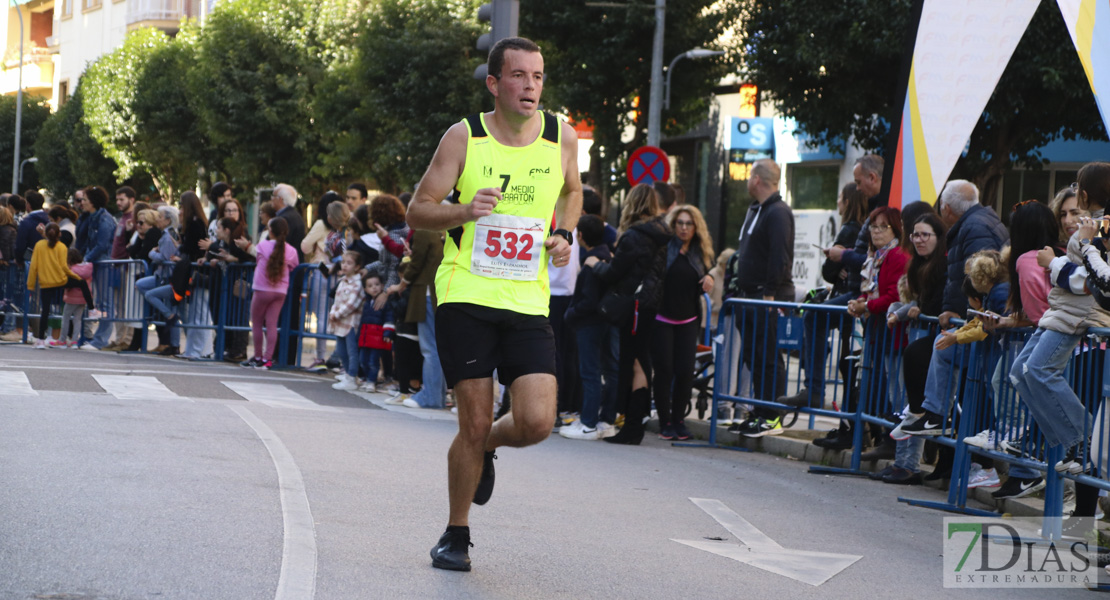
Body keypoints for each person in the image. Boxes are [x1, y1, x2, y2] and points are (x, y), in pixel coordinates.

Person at [405, 36, 581, 572]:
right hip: (467, 294)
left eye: (538, 76)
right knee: (473, 423)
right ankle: (456, 533)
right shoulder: (465, 137)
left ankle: (487, 451)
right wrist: (462, 211)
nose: (530, 86)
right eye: (519, 76)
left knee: (535, 422)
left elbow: (572, 191)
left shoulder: (561, 136)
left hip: (527, 298)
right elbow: (417, 210)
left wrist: (565, 233)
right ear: (494, 83)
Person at [1015, 163, 1110, 535]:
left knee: (1037, 371)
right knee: (1021, 372)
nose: (1071, 216)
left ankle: (1080, 444)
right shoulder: (1097, 225)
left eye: (1076, 200)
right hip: (1062, 314)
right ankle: (1072, 446)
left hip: (1074, 318)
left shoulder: (1100, 227)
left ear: (1086, 195)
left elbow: (1090, 280)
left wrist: (1051, 262)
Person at [588, 184, 671, 444]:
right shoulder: (661, 233)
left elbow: (615, 272)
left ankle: (633, 426)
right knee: (641, 362)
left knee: (634, 363)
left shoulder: (635, 235)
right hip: (649, 304)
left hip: (634, 305)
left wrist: (596, 265)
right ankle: (635, 422)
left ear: (631, 204)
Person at [779, 182, 868, 408]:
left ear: (847, 201)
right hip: (855, 296)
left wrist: (838, 261)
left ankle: (814, 388)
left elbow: (828, 271)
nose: (837, 202)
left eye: (840, 197)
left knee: (813, 317)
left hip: (854, 296)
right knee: (849, 359)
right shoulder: (861, 227)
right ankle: (849, 415)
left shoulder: (849, 229)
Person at [726, 158, 794, 438]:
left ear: (756, 179)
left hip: (766, 298)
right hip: (749, 297)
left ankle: (773, 414)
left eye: (749, 177)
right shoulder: (757, 210)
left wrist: (768, 294)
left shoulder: (777, 212)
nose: (746, 182)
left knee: (768, 358)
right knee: (754, 357)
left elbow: (780, 257)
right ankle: (759, 410)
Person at [652, 205, 715, 441]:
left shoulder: (700, 252)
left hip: (688, 319)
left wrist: (708, 277)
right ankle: (665, 421)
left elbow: (707, 275)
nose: (684, 228)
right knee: (664, 370)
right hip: (662, 319)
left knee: (685, 372)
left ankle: (679, 420)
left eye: (689, 223)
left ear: (696, 227)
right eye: (680, 223)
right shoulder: (665, 248)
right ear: (673, 225)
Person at [560, 215, 619, 440]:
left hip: (589, 324)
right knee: (609, 370)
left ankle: (588, 423)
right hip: (606, 322)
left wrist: (570, 314)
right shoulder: (608, 257)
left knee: (590, 372)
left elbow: (588, 300)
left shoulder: (592, 262)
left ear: (581, 236)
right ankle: (605, 419)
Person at [389, 227, 446, 409]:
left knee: (430, 349)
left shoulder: (424, 230)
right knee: (438, 348)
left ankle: (430, 396)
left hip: (427, 293)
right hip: (442, 293)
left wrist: (400, 285)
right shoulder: (442, 230)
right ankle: (437, 395)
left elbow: (416, 264)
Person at [26, 223, 99, 349]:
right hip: (60, 280)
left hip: (46, 282)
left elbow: (34, 266)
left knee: (45, 311)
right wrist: (76, 277)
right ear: (59, 234)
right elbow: (64, 267)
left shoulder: (39, 245)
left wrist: (31, 283)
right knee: (82, 284)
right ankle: (92, 309)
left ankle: (41, 340)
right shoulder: (62, 247)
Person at [243, 217, 298, 370]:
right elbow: (294, 266)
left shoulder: (262, 246)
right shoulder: (291, 251)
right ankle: (268, 359)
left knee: (257, 323)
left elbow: (257, 257)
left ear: (271, 231)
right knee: (272, 324)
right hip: (280, 290)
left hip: (261, 288)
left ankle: (258, 356)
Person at [79, 186, 119, 351]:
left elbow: (102, 245)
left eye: (85, 200)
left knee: (105, 303)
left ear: (93, 202)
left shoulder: (104, 219)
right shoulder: (94, 217)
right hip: (98, 263)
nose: (82, 203)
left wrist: (86, 259)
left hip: (104, 264)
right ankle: (98, 339)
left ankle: (100, 340)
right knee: (101, 303)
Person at [139, 206, 183, 355]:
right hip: (161, 276)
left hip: (168, 277)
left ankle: (174, 343)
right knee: (141, 285)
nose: (157, 219)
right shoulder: (167, 235)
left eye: (160, 217)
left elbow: (165, 258)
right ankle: (166, 317)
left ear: (168, 220)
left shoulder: (169, 236)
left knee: (154, 297)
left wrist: (152, 253)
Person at [329, 251, 366, 391]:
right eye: (343, 262)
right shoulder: (342, 281)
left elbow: (352, 304)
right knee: (341, 350)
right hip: (339, 322)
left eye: (349, 263)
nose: (344, 265)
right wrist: (333, 312)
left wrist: (336, 314)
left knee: (352, 351)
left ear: (357, 267)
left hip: (351, 322)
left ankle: (351, 377)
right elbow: (336, 300)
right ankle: (348, 374)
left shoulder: (357, 284)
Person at [356, 273, 394, 393]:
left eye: (377, 284)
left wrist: (388, 332)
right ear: (366, 289)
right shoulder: (366, 303)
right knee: (362, 360)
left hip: (377, 337)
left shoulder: (385, 303)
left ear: (382, 286)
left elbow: (389, 317)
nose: (374, 287)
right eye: (370, 285)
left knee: (373, 361)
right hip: (366, 336)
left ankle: (371, 381)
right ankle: (367, 379)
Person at [55, 248, 93, 348]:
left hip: (71, 297)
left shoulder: (71, 270)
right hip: (83, 298)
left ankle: (62, 340)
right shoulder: (87, 268)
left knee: (66, 317)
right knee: (77, 319)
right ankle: (74, 341)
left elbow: (68, 284)